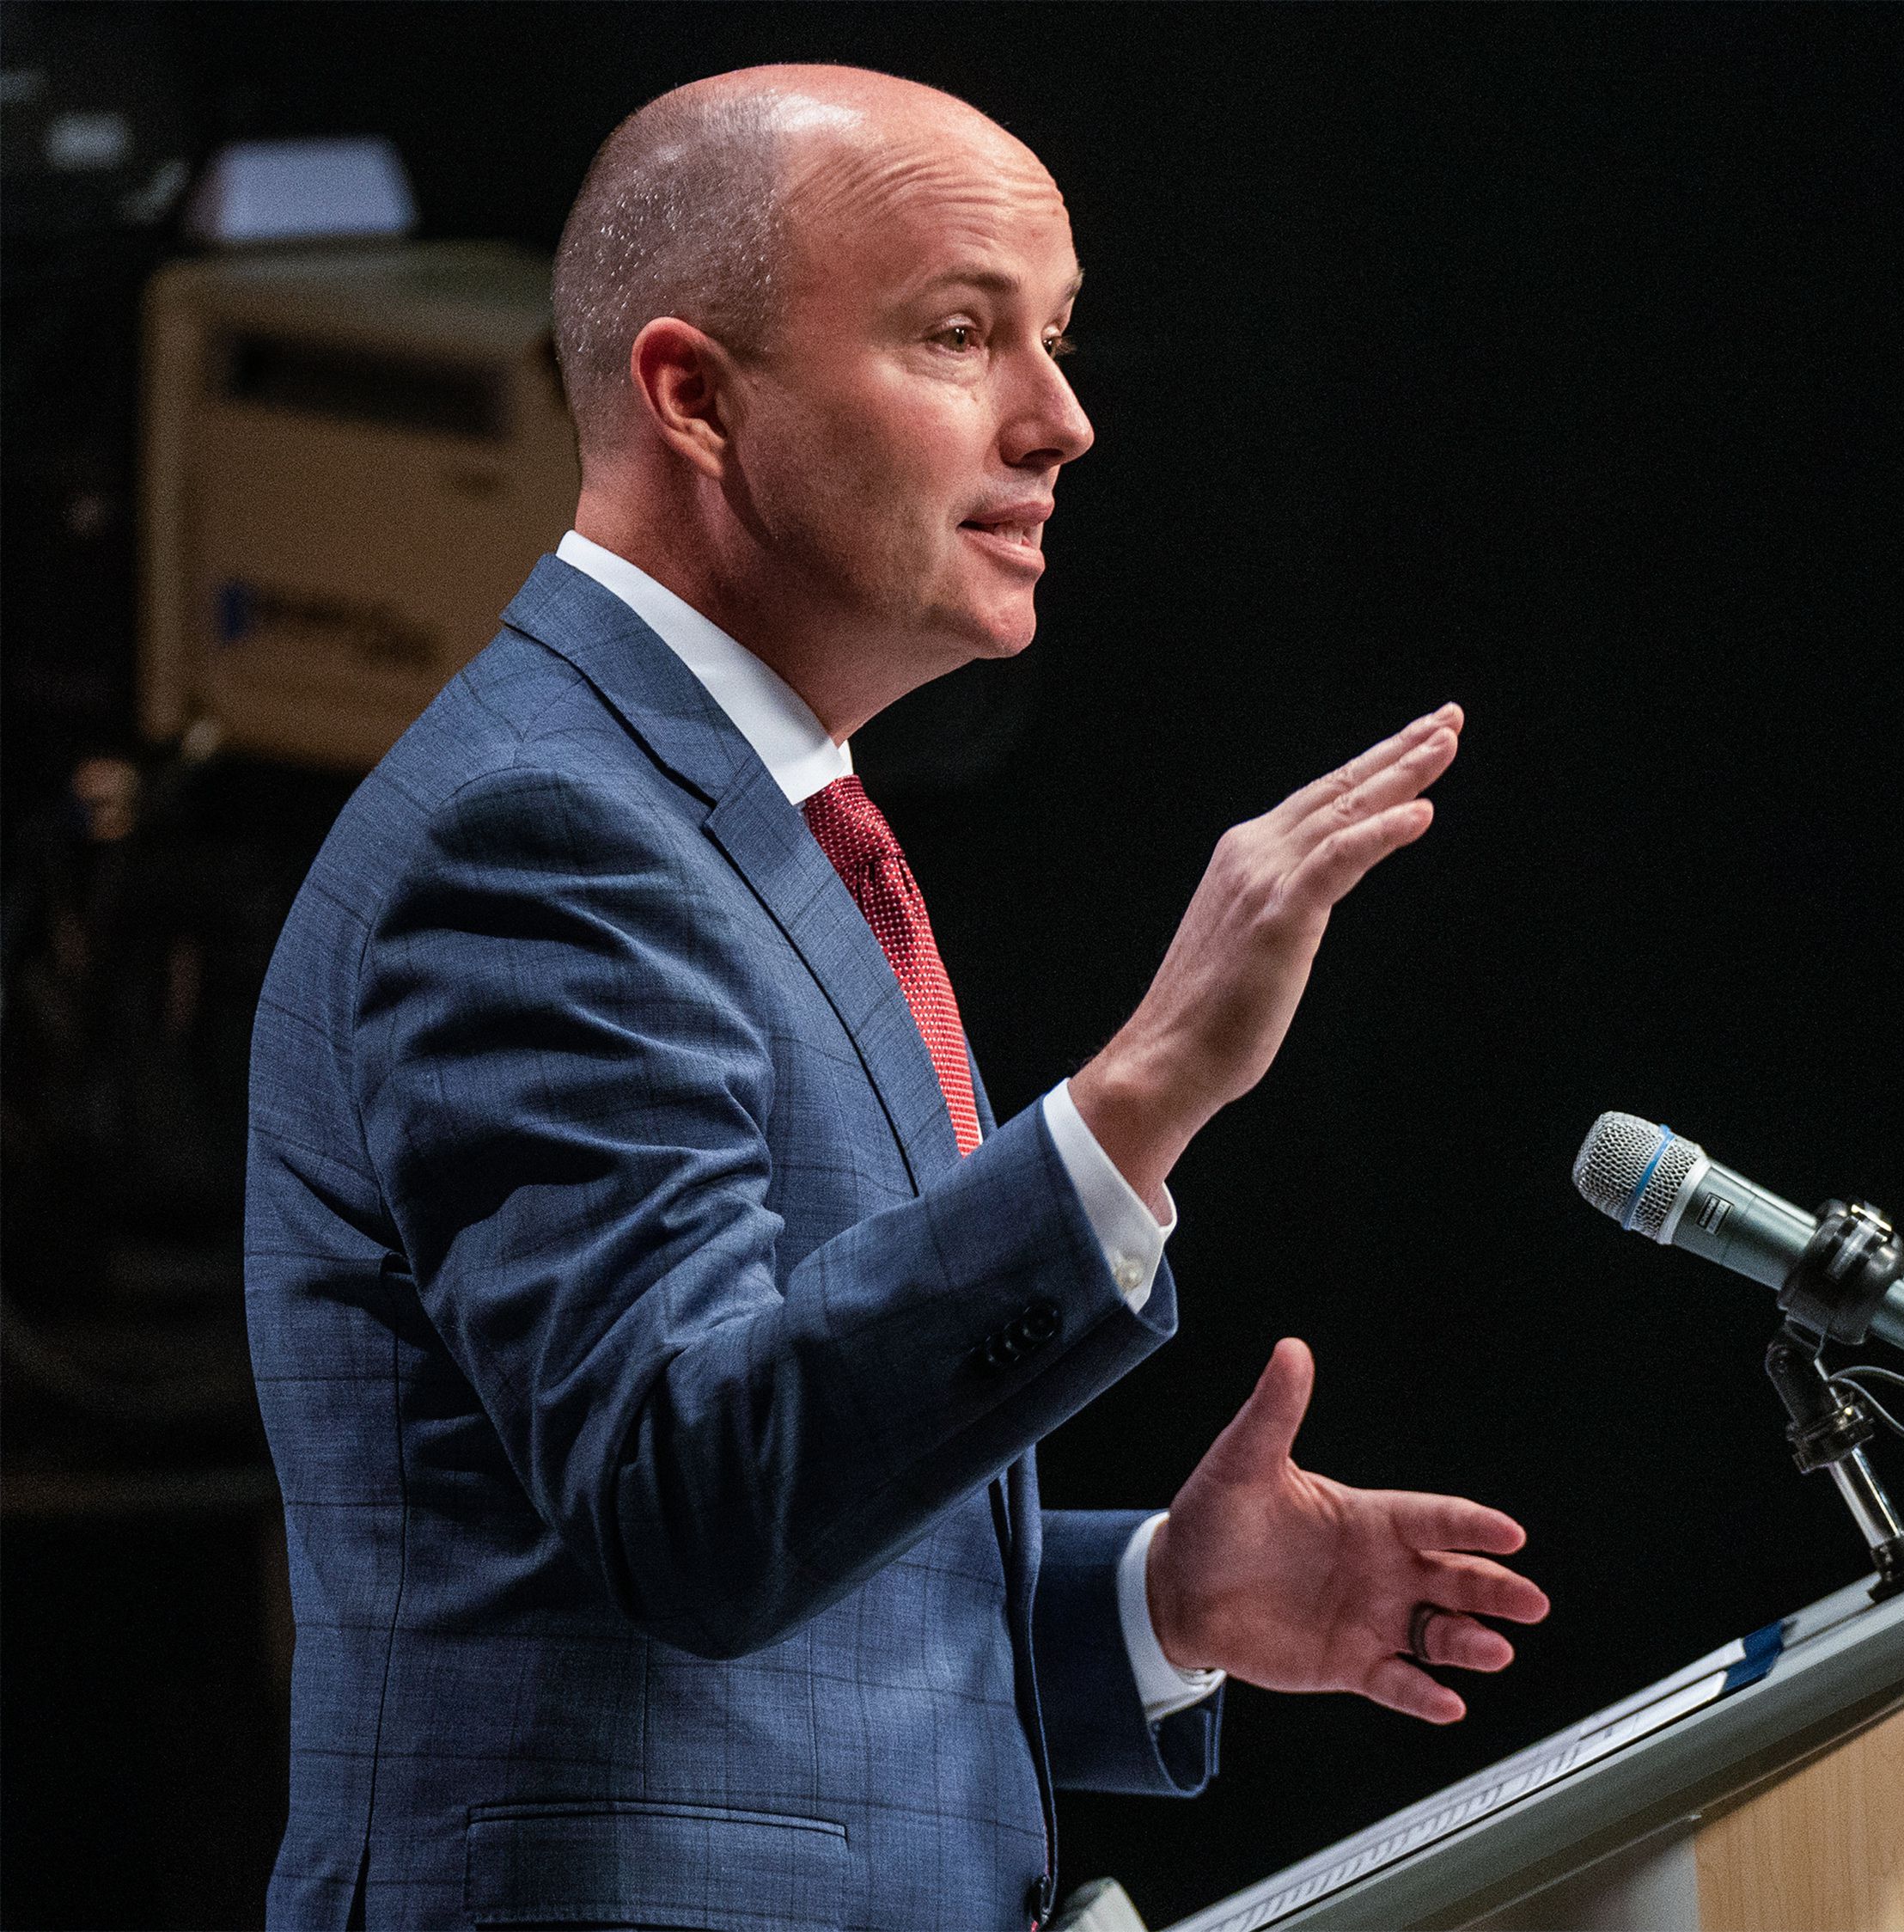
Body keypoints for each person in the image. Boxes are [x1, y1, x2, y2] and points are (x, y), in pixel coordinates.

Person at [246, 64, 1547, 1932]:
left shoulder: (752, 816)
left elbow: (736, 1567)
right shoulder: (537, 835)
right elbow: (691, 1499)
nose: (1065, 422)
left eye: (1060, 339)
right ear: (694, 395)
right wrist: (1146, 1093)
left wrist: (1158, 1600)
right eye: (962, 334)